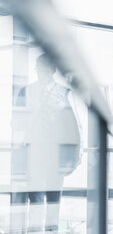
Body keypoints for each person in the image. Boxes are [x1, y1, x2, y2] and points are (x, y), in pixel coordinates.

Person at [10, 54, 81, 233]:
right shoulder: (26, 92)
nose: (41, 73)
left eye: (45, 69)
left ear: (52, 71)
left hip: (56, 156)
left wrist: (76, 154)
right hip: (33, 154)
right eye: (39, 69)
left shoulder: (65, 93)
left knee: (53, 201)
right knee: (35, 199)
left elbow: (76, 125)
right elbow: (15, 123)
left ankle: (51, 231)